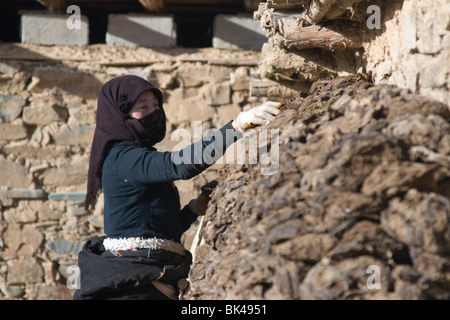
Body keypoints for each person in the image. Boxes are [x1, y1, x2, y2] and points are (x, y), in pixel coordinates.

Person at [73, 75, 280, 300]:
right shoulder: (123, 158)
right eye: (143, 107)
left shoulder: (139, 156)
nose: (154, 112)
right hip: (134, 286)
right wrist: (235, 127)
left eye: (156, 105)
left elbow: (157, 229)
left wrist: (192, 210)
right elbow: (180, 165)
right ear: (120, 115)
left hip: (155, 278)